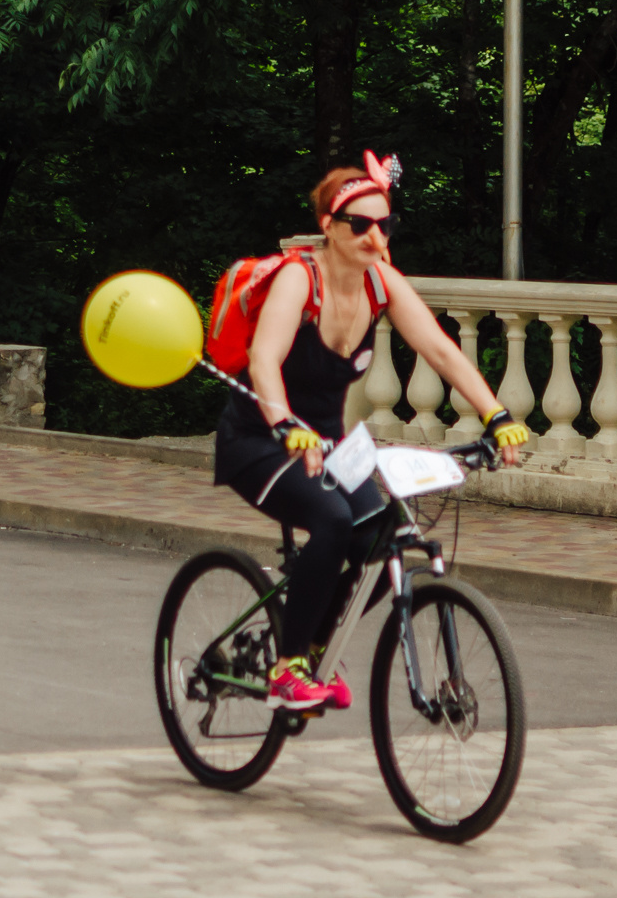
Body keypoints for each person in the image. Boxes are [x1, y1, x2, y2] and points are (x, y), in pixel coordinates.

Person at [212, 153, 529, 712]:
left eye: (384, 224)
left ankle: (311, 645)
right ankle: (286, 672)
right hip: (261, 440)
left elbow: (438, 349)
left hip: (333, 446)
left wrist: (495, 415)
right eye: (359, 224)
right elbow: (264, 360)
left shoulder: (382, 283)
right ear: (330, 228)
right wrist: (286, 424)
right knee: (333, 523)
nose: (373, 235)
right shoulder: (298, 277)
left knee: (387, 538)